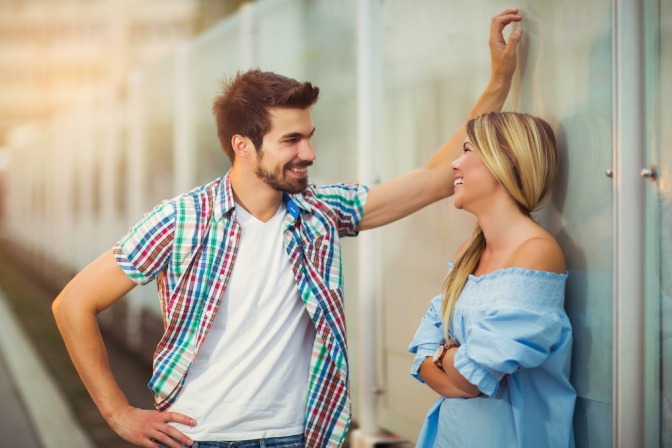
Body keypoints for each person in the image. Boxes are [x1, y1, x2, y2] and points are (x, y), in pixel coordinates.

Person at [52, 9, 523, 448]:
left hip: (300, 435)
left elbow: (435, 178)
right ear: (243, 145)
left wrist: (499, 78)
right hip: (200, 436)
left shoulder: (319, 212)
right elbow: (73, 303)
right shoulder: (181, 220)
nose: (309, 153)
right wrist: (118, 414)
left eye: (309, 137)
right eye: (291, 140)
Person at [408, 112, 576, 447]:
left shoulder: (537, 252)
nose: (455, 164)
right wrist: (452, 356)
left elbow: (474, 376)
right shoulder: (468, 249)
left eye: (468, 151)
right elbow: (423, 348)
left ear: (507, 161)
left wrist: (443, 355)